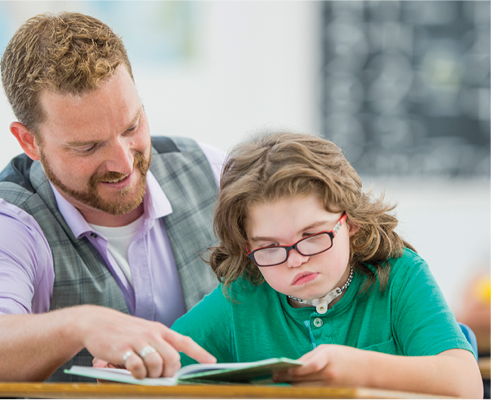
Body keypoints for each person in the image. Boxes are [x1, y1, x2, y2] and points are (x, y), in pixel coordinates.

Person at [0, 12, 223, 382]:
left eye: (132, 126)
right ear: (29, 141)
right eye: (87, 147)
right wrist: (81, 325)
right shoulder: (6, 222)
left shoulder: (212, 172)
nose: (123, 162)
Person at [170, 132, 483, 398]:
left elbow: (466, 386)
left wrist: (359, 369)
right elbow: (164, 361)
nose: (295, 259)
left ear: (351, 222)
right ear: (246, 247)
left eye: (312, 235)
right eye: (269, 247)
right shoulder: (242, 296)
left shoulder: (401, 275)